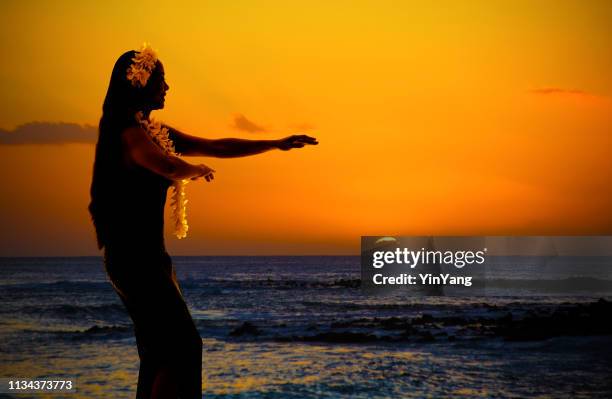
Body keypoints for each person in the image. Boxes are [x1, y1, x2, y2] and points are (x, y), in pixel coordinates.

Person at [88, 45, 317, 399]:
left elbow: (217, 145)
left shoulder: (152, 131)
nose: (167, 87)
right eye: (161, 79)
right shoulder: (129, 134)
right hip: (133, 260)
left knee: (158, 352)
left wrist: (275, 143)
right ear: (140, 82)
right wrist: (191, 170)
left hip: (151, 258)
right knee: (182, 347)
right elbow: (163, 165)